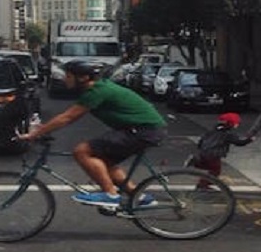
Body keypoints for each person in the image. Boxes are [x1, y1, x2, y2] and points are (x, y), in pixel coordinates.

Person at [18, 59, 167, 208]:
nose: (65, 79)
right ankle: (139, 197)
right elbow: (66, 117)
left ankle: (110, 195)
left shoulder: (97, 91)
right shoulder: (98, 88)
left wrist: (35, 133)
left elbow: (68, 117)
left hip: (143, 130)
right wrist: (44, 128)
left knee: (82, 151)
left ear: (83, 78)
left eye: (68, 76)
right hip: (143, 129)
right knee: (104, 161)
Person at [188, 112, 252, 186]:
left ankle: (196, 163)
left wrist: (200, 148)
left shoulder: (213, 130)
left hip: (204, 151)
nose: (237, 125)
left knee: (207, 165)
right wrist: (249, 140)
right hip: (214, 155)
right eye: (236, 123)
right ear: (231, 124)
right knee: (215, 171)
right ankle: (203, 185)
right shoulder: (228, 134)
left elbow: (202, 140)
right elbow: (239, 143)